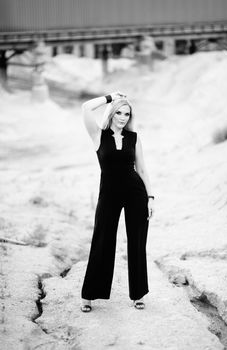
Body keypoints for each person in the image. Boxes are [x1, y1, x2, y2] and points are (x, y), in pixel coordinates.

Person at [80, 92, 155, 312]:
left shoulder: (134, 138)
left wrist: (150, 197)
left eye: (127, 114)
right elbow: (85, 107)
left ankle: (138, 294)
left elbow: (141, 169)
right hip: (109, 195)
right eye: (119, 113)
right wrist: (110, 97)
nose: (123, 117)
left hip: (135, 193)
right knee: (102, 240)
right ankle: (89, 295)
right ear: (112, 113)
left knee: (137, 242)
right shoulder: (98, 135)